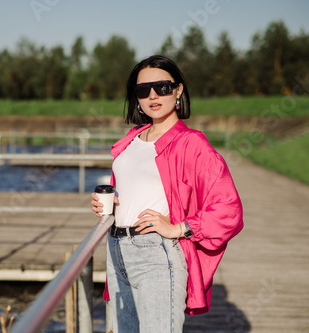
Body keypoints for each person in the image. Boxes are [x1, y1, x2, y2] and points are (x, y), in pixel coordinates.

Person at [91, 55, 243, 332]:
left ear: (178, 90)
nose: (152, 95)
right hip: (116, 251)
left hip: (155, 255)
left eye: (162, 87)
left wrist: (180, 228)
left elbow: (228, 208)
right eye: (142, 90)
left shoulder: (191, 143)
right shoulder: (131, 141)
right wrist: (110, 205)